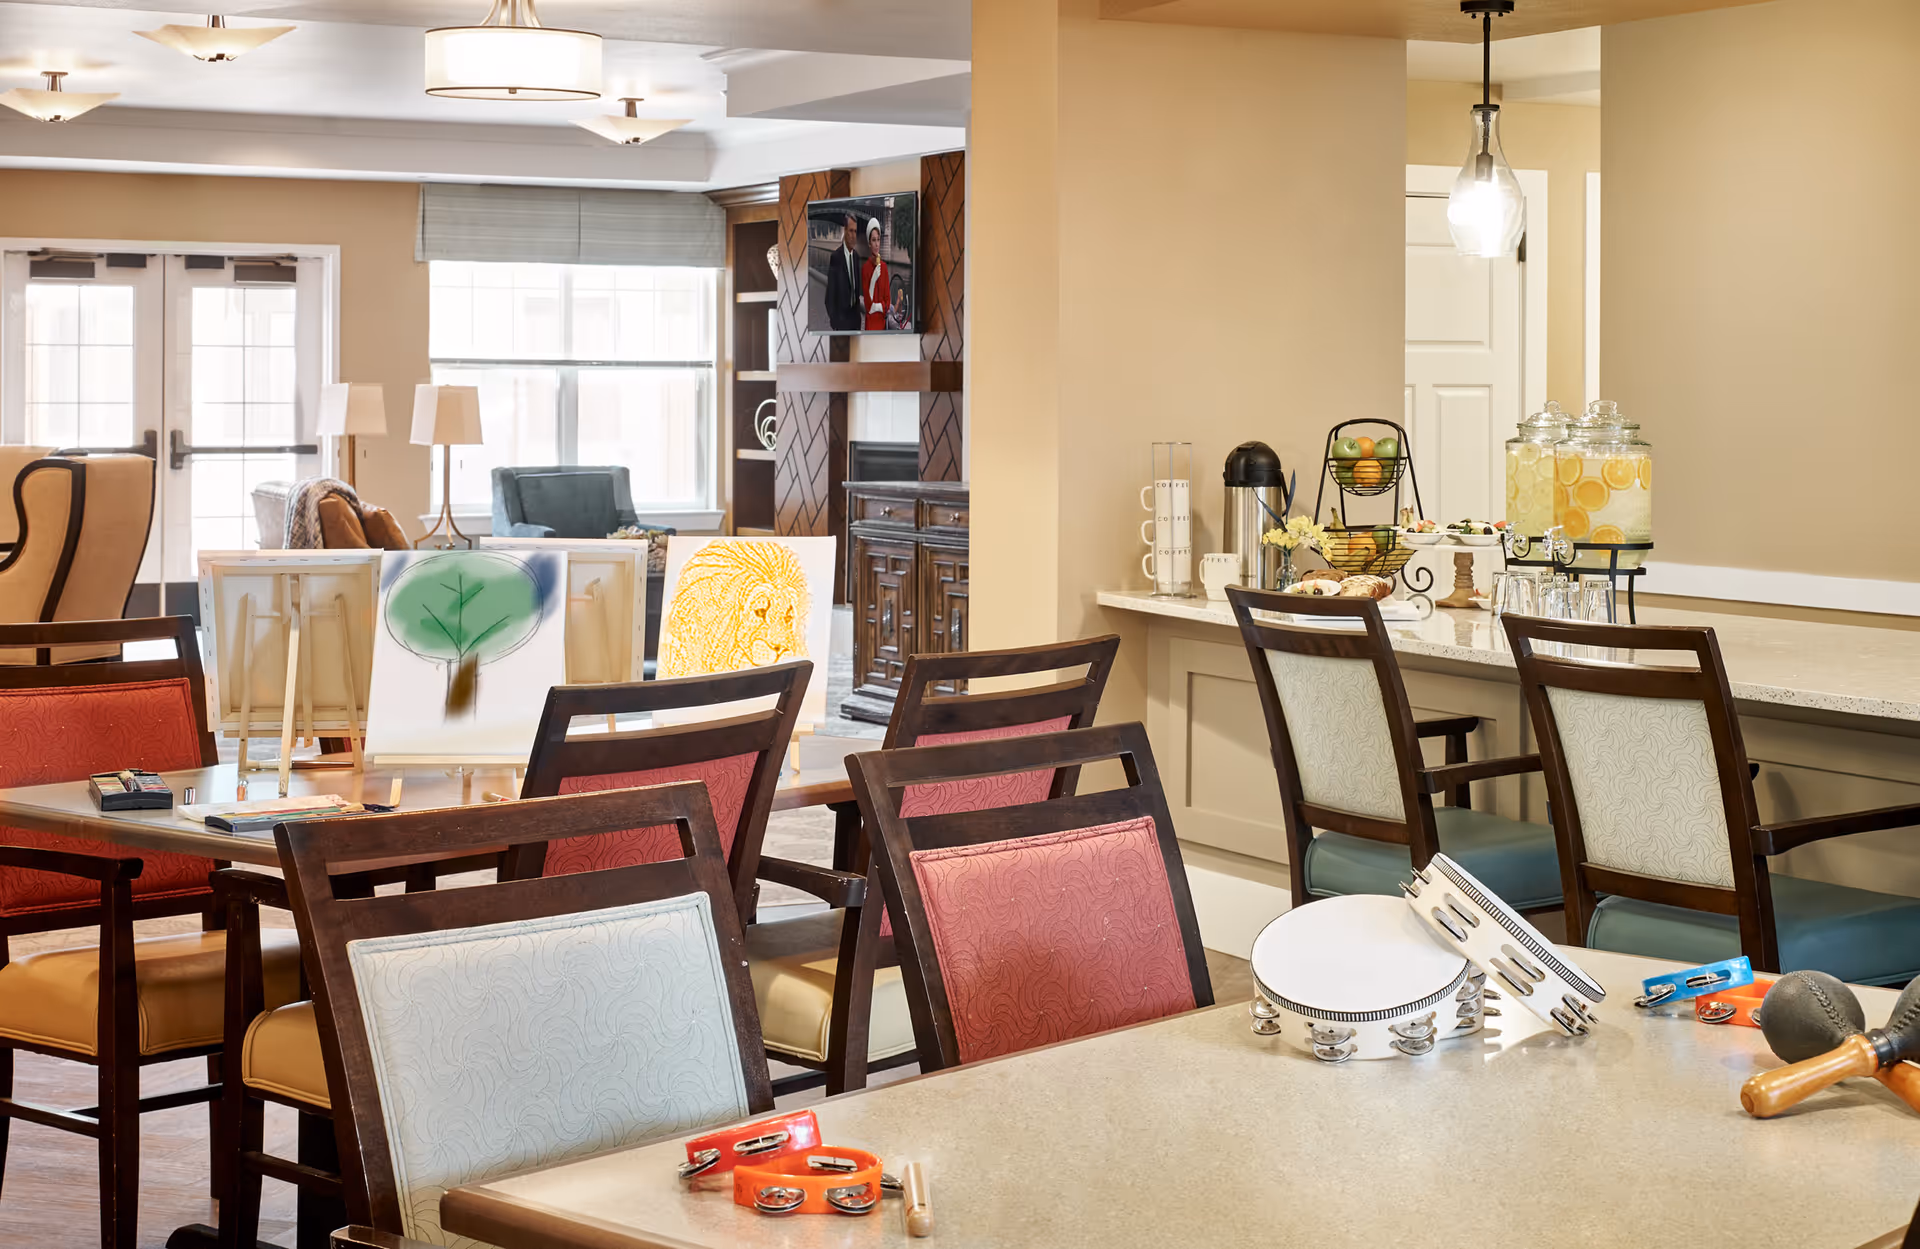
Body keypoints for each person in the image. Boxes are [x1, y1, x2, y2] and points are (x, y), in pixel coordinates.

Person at [824, 213, 862, 332]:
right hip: (841, 323)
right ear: (844, 230)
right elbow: (829, 296)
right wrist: (835, 322)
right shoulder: (836, 257)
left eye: (855, 231)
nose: (853, 236)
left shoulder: (856, 257)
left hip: (855, 322)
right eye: (850, 231)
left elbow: (856, 292)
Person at [860, 218, 891, 332]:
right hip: (870, 328)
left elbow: (888, 302)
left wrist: (877, 307)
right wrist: (873, 280)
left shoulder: (884, 267)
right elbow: (868, 306)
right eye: (874, 240)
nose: (877, 244)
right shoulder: (865, 269)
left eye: (878, 240)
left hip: (882, 327)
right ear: (869, 243)